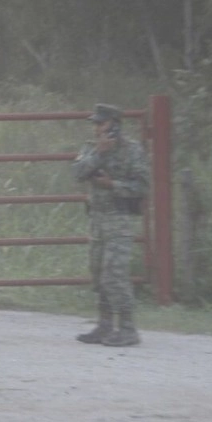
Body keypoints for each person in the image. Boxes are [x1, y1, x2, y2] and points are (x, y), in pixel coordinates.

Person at [71, 103, 150, 347]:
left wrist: (113, 184)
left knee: (114, 274)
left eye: (101, 123)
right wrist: (100, 153)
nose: (97, 128)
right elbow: (76, 173)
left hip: (119, 219)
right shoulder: (91, 149)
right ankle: (104, 325)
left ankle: (127, 328)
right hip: (97, 220)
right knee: (98, 274)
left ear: (115, 124)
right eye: (95, 124)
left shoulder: (133, 151)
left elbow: (142, 186)